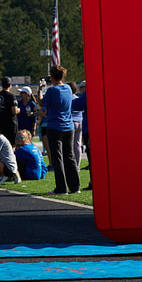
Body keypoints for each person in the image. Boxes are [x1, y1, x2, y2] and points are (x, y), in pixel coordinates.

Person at [38, 64, 81, 195]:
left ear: (51, 77)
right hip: (69, 127)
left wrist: (40, 90)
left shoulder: (52, 91)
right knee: (70, 156)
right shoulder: (68, 88)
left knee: (57, 158)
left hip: (55, 127)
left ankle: (61, 188)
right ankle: (75, 187)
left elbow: (42, 103)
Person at [0, 77, 19, 147]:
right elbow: (14, 111)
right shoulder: (11, 96)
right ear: (10, 85)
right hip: (10, 124)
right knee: (11, 145)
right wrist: (19, 110)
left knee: (0, 144)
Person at [68, 81, 84, 168]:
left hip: (71, 122)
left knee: (70, 145)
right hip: (80, 121)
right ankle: (77, 165)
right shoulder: (78, 98)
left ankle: (71, 165)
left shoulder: (68, 99)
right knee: (77, 145)